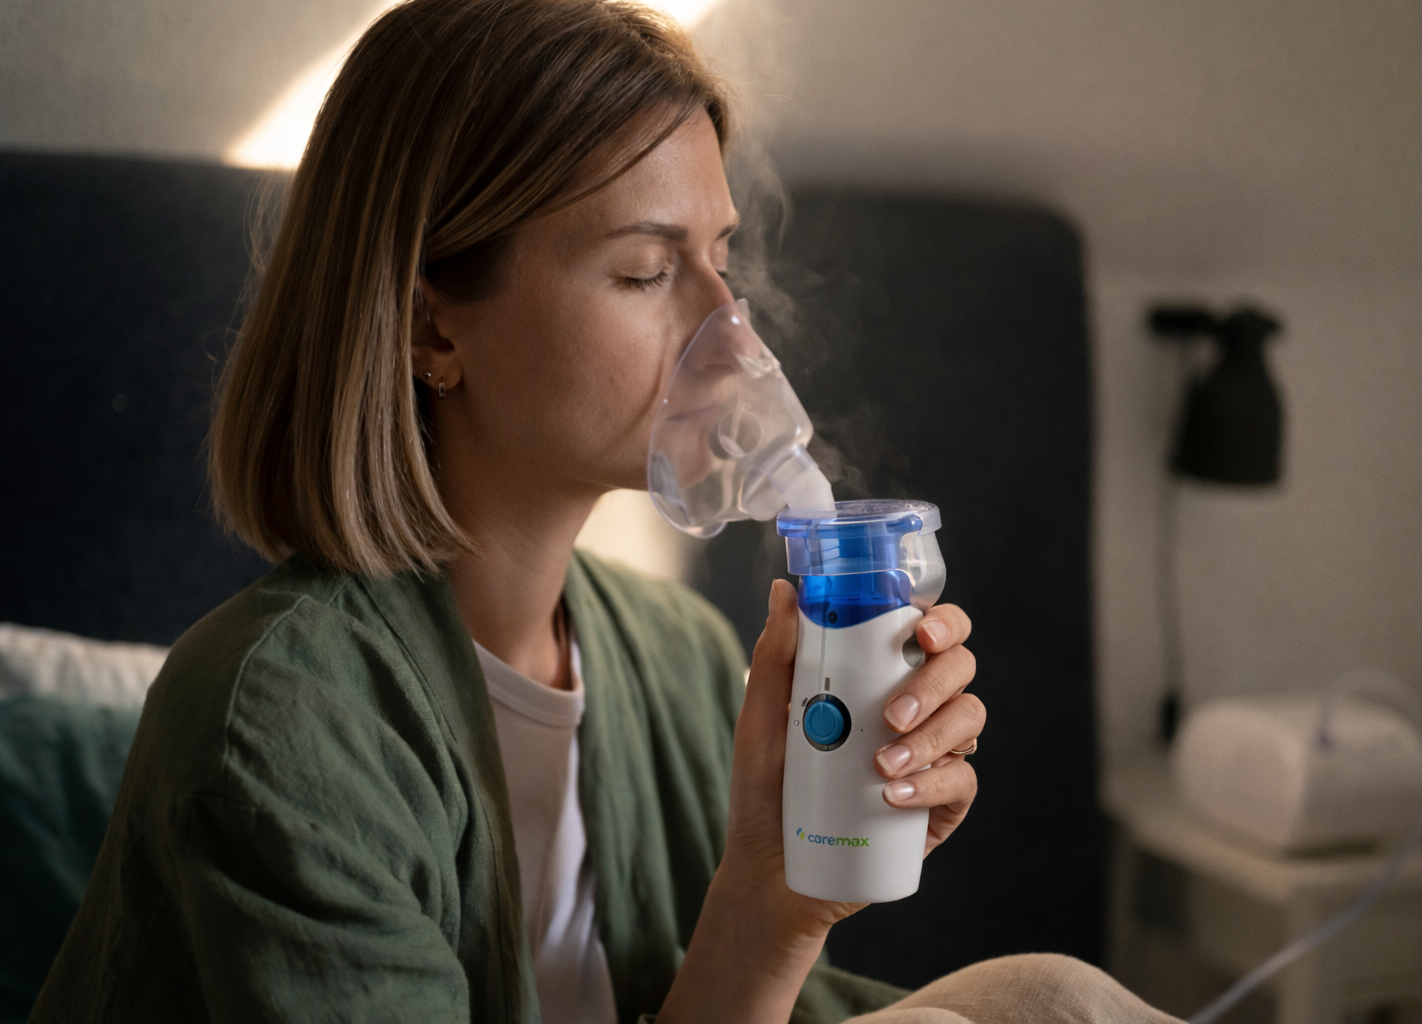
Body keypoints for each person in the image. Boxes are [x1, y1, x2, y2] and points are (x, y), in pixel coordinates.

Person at [31, 2, 1177, 1022]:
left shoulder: (677, 658)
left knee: (1053, 1000)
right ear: (432, 328)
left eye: (721, 258)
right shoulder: (281, 725)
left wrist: (781, 900)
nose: (729, 323)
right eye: (644, 270)